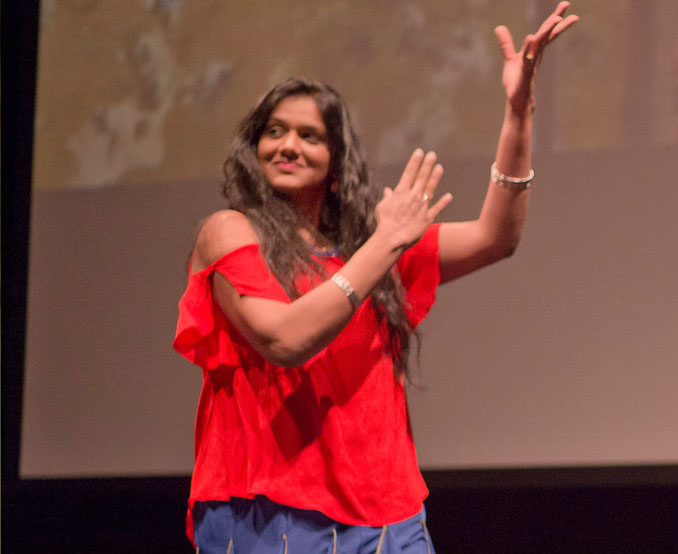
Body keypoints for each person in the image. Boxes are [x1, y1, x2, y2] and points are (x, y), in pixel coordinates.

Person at [171, 4, 579, 552]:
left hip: (391, 521)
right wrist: (386, 243)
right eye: (274, 132)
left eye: (309, 136)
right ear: (254, 148)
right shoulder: (230, 232)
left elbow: (495, 237)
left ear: (337, 165)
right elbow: (284, 339)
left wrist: (517, 113)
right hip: (271, 517)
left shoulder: (371, 248)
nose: (288, 145)